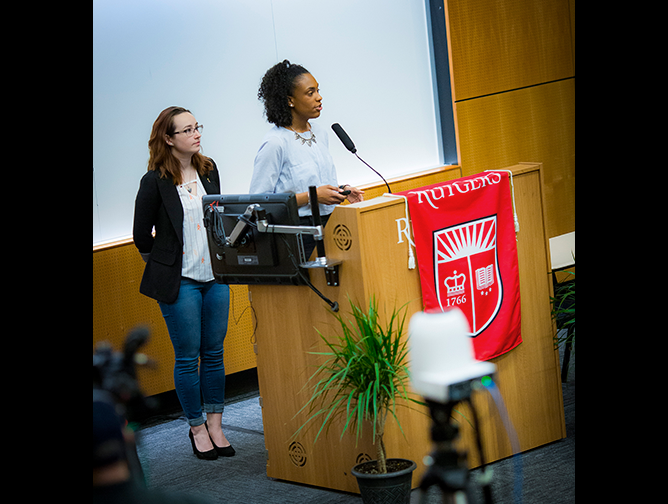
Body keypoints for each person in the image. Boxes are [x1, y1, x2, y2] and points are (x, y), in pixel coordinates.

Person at [133, 106, 234, 461]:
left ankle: (217, 424)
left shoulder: (208, 169)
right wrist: (165, 262)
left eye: (197, 127)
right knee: (188, 357)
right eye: (187, 130)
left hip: (215, 277)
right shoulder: (154, 181)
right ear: (168, 138)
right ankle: (196, 427)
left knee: (215, 352)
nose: (196, 134)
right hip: (182, 283)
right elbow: (141, 235)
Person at [250, 60, 364, 258]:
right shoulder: (275, 143)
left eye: (318, 90)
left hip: (333, 226)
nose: (319, 98)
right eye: (310, 93)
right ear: (290, 100)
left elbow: (316, 183)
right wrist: (312, 197)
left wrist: (341, 190)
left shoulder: (320, 133)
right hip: (297, 234)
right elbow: (259, 203)